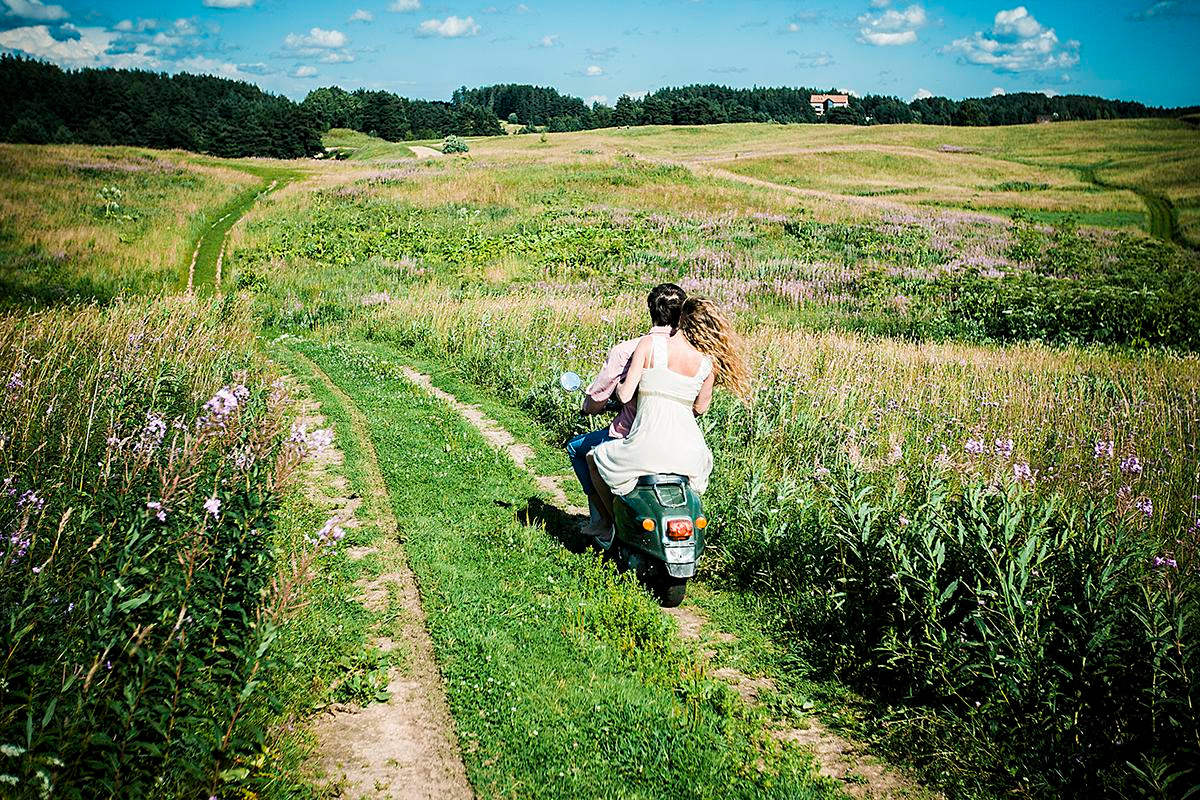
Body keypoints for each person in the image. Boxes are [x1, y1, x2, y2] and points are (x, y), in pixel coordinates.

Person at [585, 297, 749, 542]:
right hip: (690, 452)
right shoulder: (707, 363)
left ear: (680, 319)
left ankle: (615, 526)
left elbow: (625, 394)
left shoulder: (649, 345)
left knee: (593, 459)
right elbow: (701, 408)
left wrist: (621, 387)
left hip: (646, 446)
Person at [566, 283, 687, 533]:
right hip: (679, 437)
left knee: (579, 450)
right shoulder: (692, 353)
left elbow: (605, 395)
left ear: (651, 310)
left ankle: (605, 521)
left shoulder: (630, 349)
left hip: (631, 433)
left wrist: (590, 407)